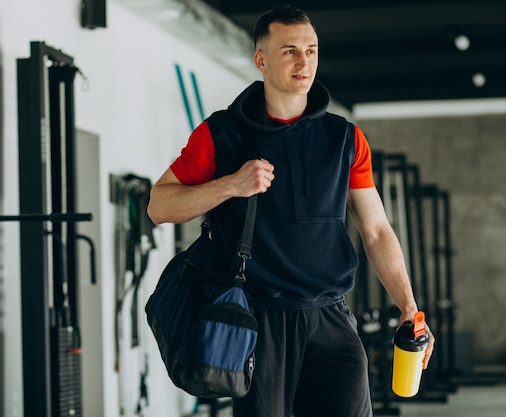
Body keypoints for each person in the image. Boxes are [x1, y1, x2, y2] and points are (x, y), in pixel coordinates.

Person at [147, 5, 434, 417]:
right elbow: (159, 204)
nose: (304, 62)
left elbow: (376, 231)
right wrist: (232, 185)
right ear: (261, 59)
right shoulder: (221, 132)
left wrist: (408, 305)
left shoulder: (345, 138)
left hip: (331, 314)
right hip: (259, 319)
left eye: (312, 50)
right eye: (290, 51)